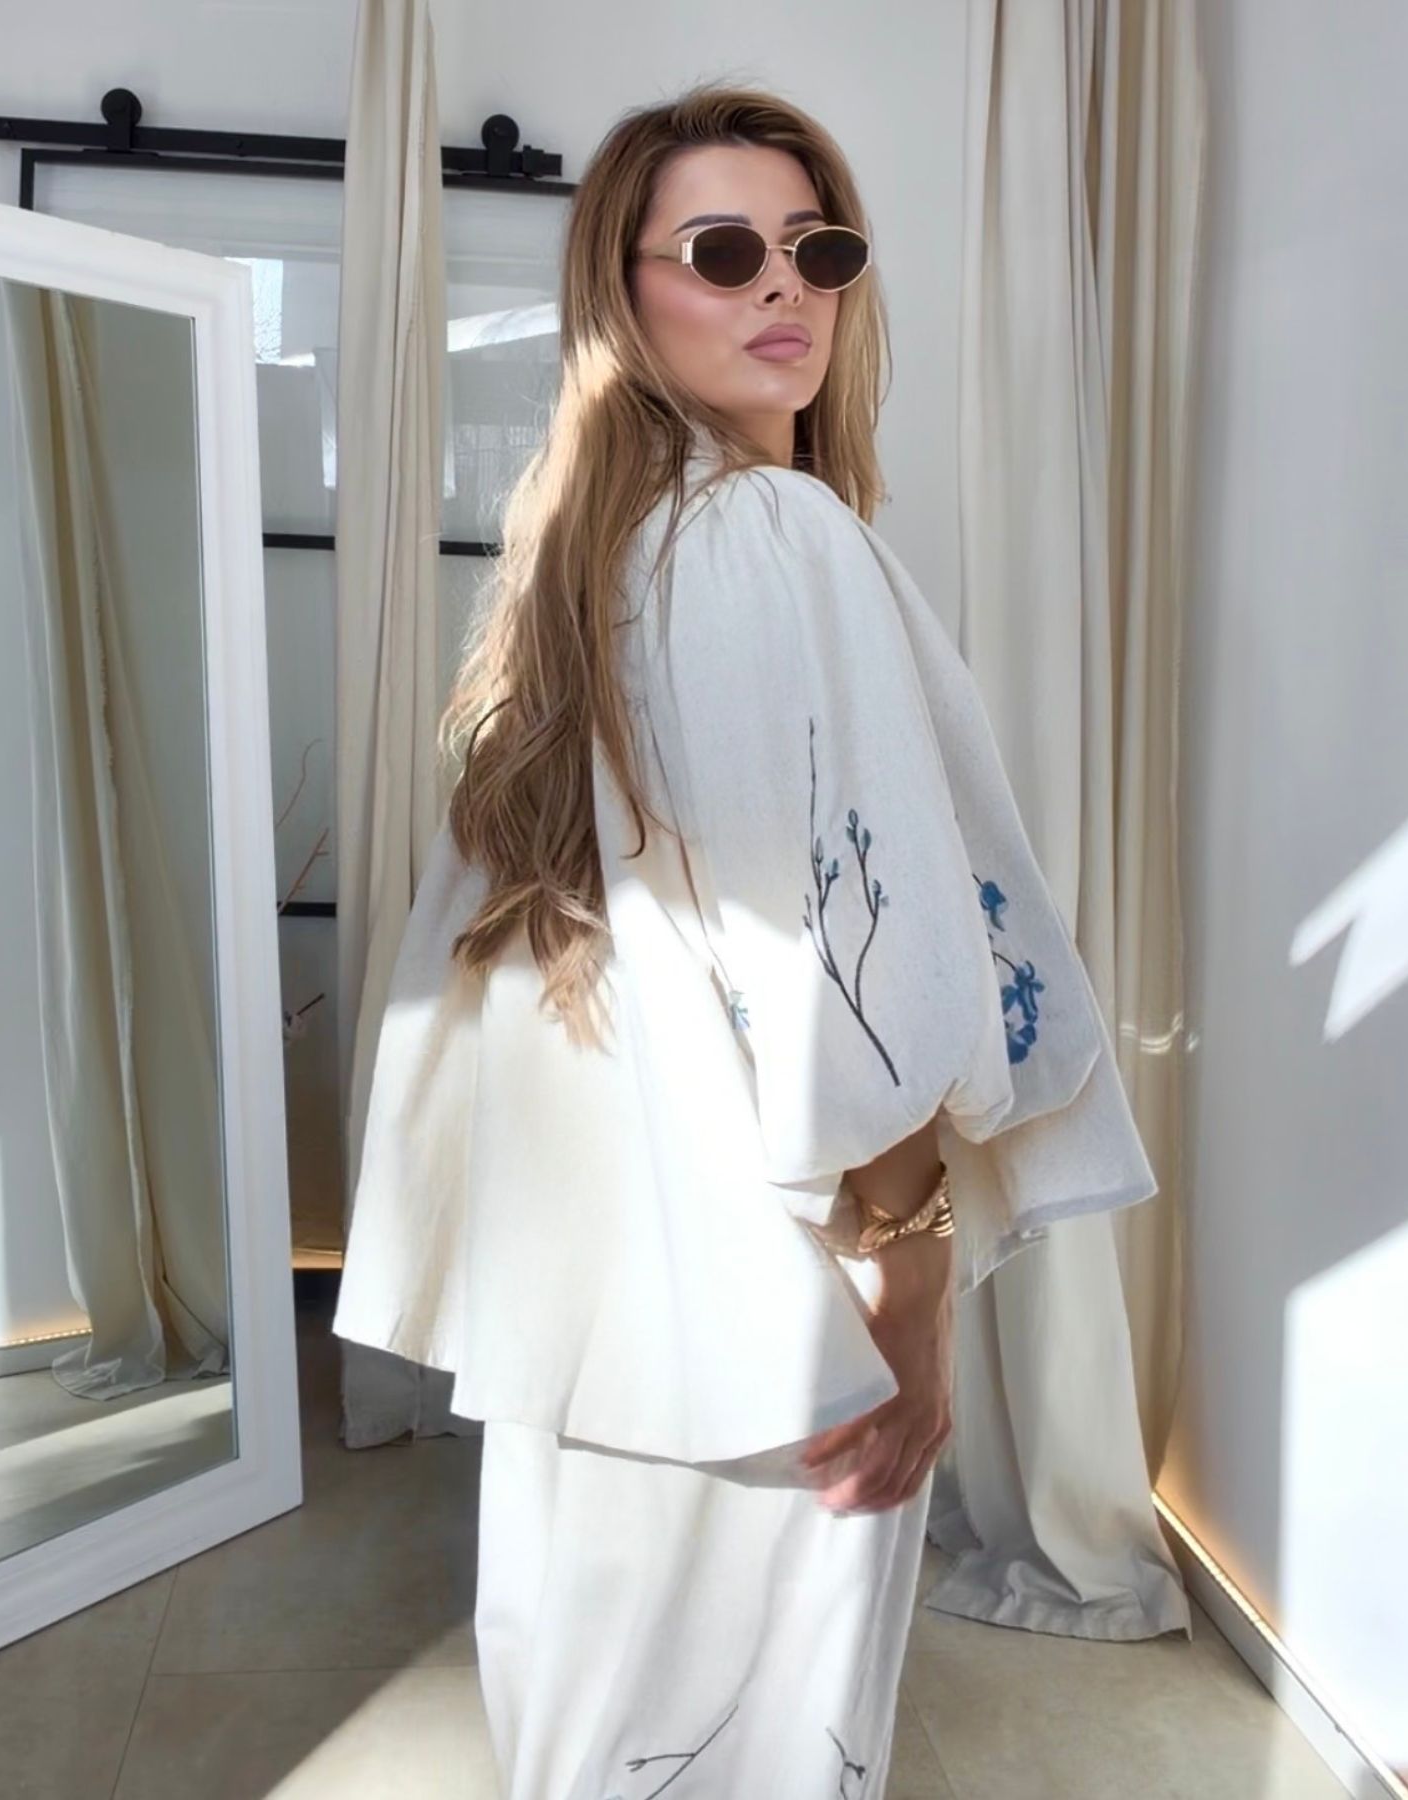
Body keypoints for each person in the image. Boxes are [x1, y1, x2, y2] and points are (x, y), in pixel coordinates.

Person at [332, 81, 1157, 1799]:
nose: (783, 284)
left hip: (607, 1312)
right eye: (720, 251)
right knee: (760, 1739)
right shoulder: (777, 535)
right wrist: (910, 1277)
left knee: (597, 1722)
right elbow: (856, 959)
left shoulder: (588, 572)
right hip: (782, 1301)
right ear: (622, 294)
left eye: (817, 248)